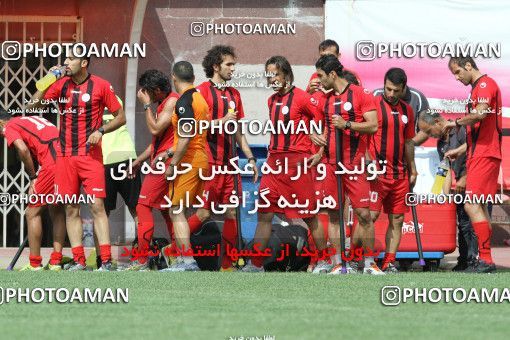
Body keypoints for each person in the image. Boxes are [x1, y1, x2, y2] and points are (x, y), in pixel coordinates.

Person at [27, 46, 126, 271]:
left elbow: (121, 117)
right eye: (66, 58)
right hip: (65, 157)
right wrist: (46, 83)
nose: (66, 62)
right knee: (71, 208)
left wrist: (100, 130)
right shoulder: (60, 84)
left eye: (71, 58)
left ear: (84, 63)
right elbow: (32, 106)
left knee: (97, 206)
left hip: (90, 156)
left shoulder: (101, 85)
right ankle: (79, 260)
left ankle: (107, 261)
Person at [242, 55, 327, 273]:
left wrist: (319, 151)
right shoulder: (271, 101)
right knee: (265, 214)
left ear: (286, 74)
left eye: (275, 74)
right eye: (268, 75)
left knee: (308, 216)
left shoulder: (303, 98)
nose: (271, 79)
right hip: (274, 164)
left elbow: (325, 123)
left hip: (297, 163)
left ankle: (324, 261)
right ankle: (256, 265)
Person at [186, 45, 258, 271]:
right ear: (216, 66)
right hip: (209, 162)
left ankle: (228, 265)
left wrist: (250, 158)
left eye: (234, 64)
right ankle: (173, 250)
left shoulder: (234, 94)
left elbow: (236, 130)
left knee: (232, 211)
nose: (233, 69)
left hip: (230, 164)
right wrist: (221, 120)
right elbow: (194, 127)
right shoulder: (201, 92)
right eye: (229, 64)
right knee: (204, 212)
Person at [313, 54, 384, 275]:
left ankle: (369, 263)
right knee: (334, 215)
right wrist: (317, 147)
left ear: (333, 74)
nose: (319, 80)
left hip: (354, 164)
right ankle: (337, 264)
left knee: (363, 214)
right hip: (331, 165)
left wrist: (347, 124)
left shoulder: (362, 95)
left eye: (321, 76)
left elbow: (372, 126)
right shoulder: (325, 100)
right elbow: (324, 131)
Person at [442, 56, 502, 273]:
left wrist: (454, 122)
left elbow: (481, 113)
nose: (457, 78)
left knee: (471, 204)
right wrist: (459, 150)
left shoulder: (485, 84)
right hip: (480, 153)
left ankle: (485, 259)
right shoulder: (477, 88)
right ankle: (486, 259)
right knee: (481, 207)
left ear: (469, 66)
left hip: (485, 155)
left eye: (458, 72)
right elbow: (478, 131)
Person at [155, 61, 210, 272]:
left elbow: (186, 136)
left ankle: (187, 261)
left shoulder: (183, 101)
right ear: (193, 78)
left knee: (175, 210)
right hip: (199, 157)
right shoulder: (199, 98)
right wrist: (168, 153)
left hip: (188, 160)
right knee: (182, 211)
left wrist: (173, 164)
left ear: (173, 78)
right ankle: (181, 259)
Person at [125, 69, 179, 270]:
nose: (143, 93)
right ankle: (177, 256)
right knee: (168, 211)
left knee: (143, 206)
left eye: (147, 91)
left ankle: (141, 261)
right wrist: (138, 160)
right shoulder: (163, 103)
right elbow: (157, 141)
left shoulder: (173, 101)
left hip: (166, 162)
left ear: (156, 90)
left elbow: (155, 129)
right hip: (162, 160)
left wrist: (146, 105)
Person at [0, 111, 66, 271]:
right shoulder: (33, 119)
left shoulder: (10, 126)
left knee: (32, 213)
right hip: (67, 159)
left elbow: (22, 150)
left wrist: (32, 177)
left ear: (2, 122)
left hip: (52, 164)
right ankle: (56, 261)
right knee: (56, 208)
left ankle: (35, 263)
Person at [368, 68, 417, 273]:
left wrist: (412, 169)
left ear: (403, 88)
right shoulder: (372, 105)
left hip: (399, 176)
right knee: (368, 218)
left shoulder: (408, 110)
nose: (390, 94)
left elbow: (408, 142)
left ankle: (388, 262)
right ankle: (366, 261)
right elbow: (363, 137)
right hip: (376, 174)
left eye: (396, 90)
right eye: (388, 89)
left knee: (396, 220)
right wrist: (368, 163)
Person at [417, 109, 478, 271]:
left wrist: (465, 178)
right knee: (463, 223)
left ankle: (476, 261)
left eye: (429, 131)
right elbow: (444, 170)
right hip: (459, 186)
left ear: (437, 122)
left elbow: (475, 148)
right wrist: (443, 197)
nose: (430, 136)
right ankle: (464, 261)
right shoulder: (441, 144)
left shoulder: (461, 128)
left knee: (473, 224)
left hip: (476, 181)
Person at [98, 96, 140, 268]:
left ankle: (103, 259)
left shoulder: (89, 98)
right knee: (136, 209)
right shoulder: (113, 97)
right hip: (125, 156)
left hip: (106, 158)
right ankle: (142, 256)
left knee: (101, 212)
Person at [373, 80, 429, 145]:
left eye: (396, 90)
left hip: (409, 149)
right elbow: (366, 125)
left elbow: (427, 129)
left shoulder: (417, 97)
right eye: (389, 89)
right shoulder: (375, 95)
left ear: (404, 87)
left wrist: (409, 145)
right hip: (377, 149)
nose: (392, 94)